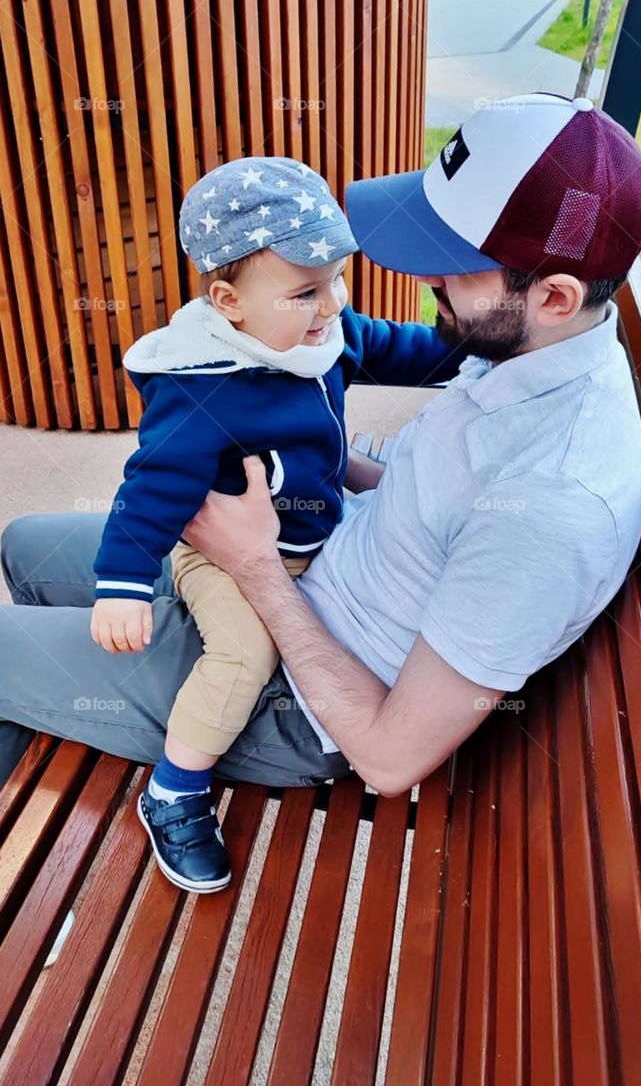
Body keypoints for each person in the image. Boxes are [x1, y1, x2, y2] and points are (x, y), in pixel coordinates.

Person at [0, 93, 641, 834]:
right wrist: (298, 463)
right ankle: (53, 713)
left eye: (451, 265)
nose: (424, 281)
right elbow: (431, 499)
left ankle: (103, 757)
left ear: (555, 296)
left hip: (293, 696)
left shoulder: (553, 504)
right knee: (23, 542)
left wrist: (255, 570)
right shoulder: (523, 349)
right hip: (300, 551)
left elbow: (387, 757)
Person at [87, 155, 459, 893]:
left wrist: (468, 348)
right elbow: (152, 490)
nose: (333, 306)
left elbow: (396, 349)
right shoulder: (204, 389)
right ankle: (175, 788)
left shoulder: (320, 333)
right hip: (224, 556)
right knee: (245, 656)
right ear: (228, 300)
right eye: (306, 292)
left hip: (303, 534)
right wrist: (122, 584)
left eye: (336, 280)